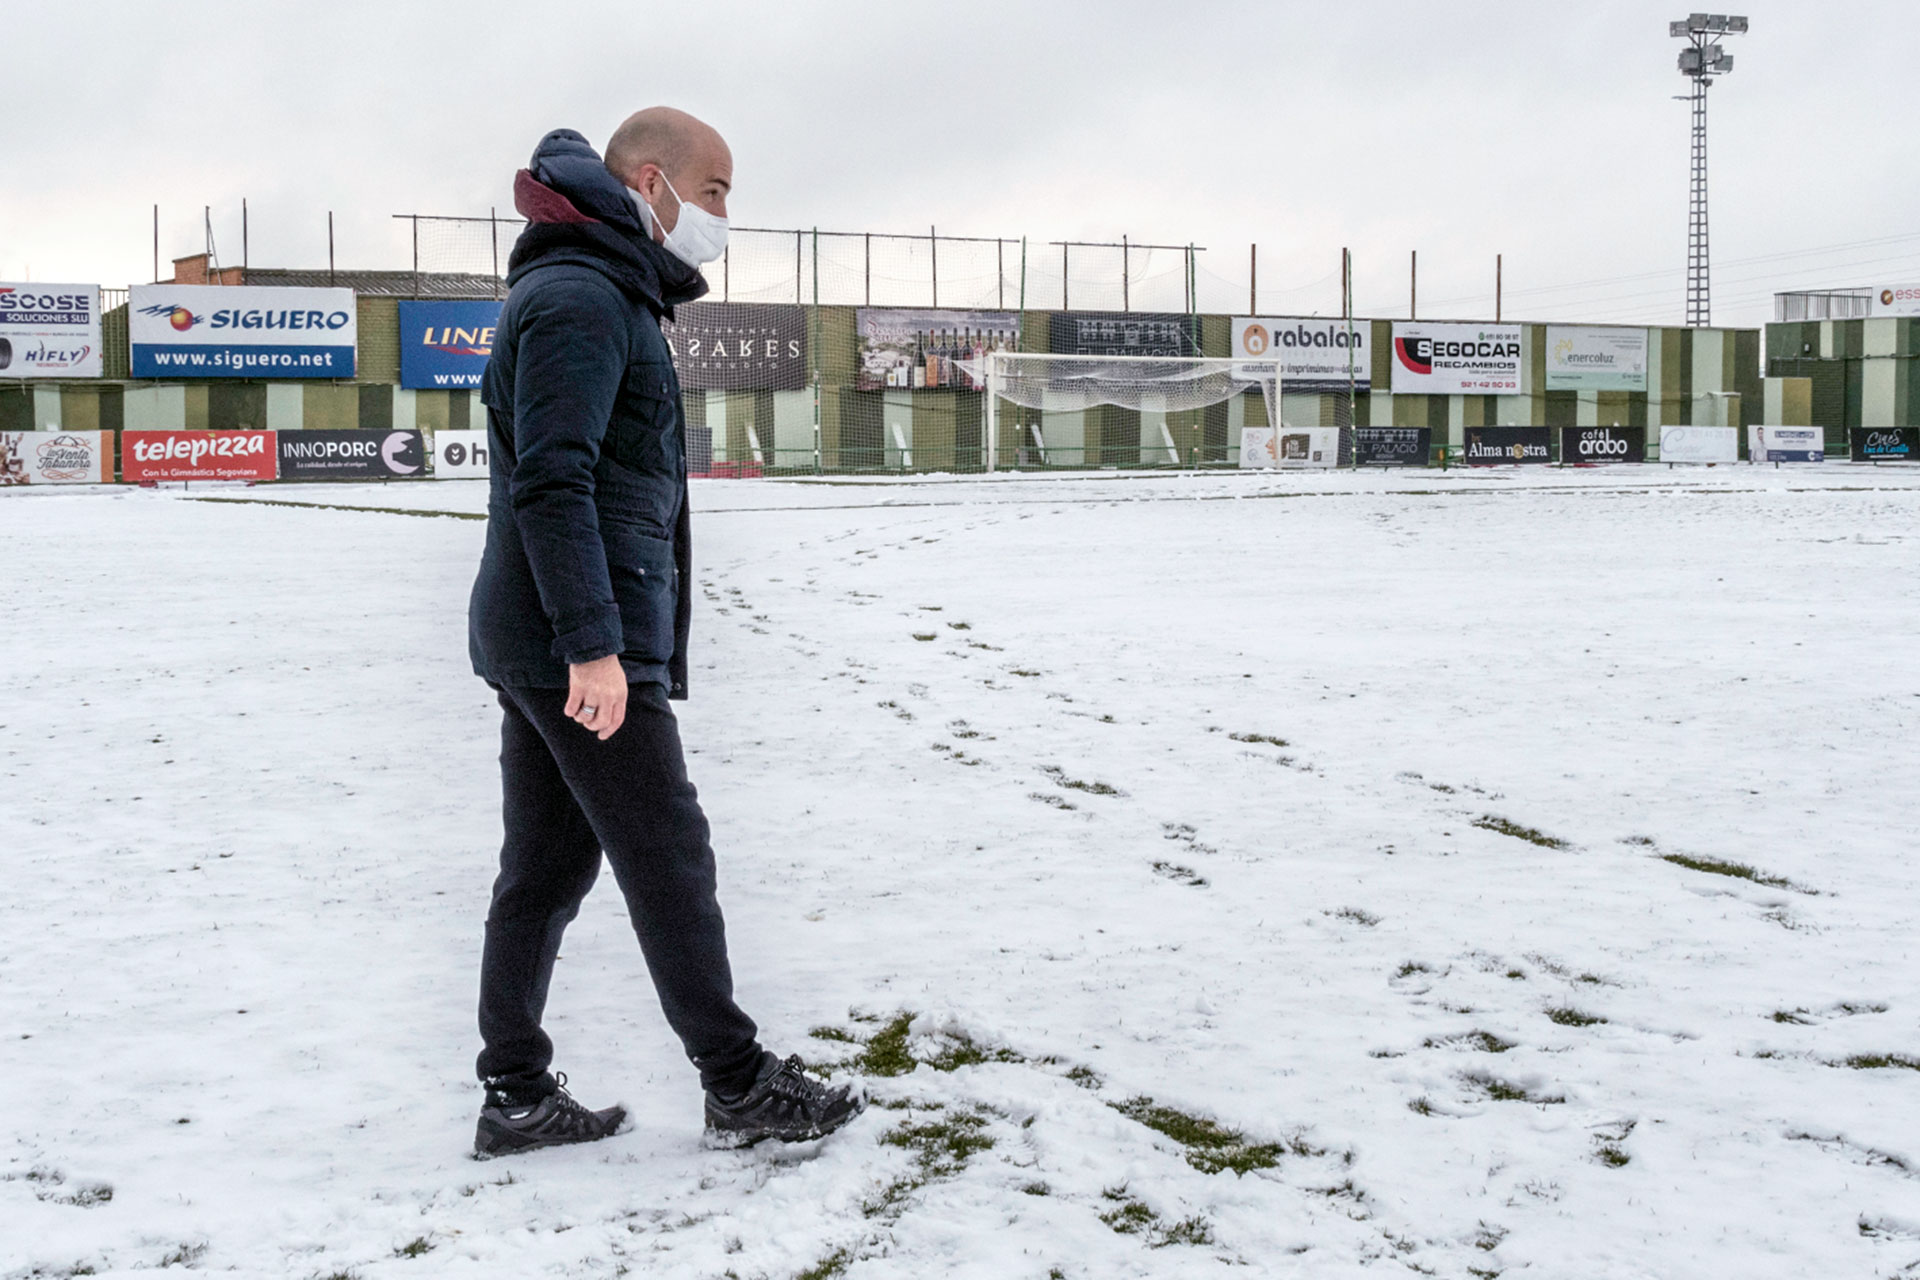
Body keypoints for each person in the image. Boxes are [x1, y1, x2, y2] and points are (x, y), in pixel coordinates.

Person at [466, 110, 862, 1157]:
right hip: (573, 639)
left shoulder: (602, 290)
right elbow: (555, 482)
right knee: (666, 848)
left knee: (548, 865)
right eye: (718, 190)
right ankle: (737, 1083)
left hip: (556, 628)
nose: (725, 214)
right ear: (653, 182)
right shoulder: (583, 298)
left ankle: (515, 1092)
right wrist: (594, 645)